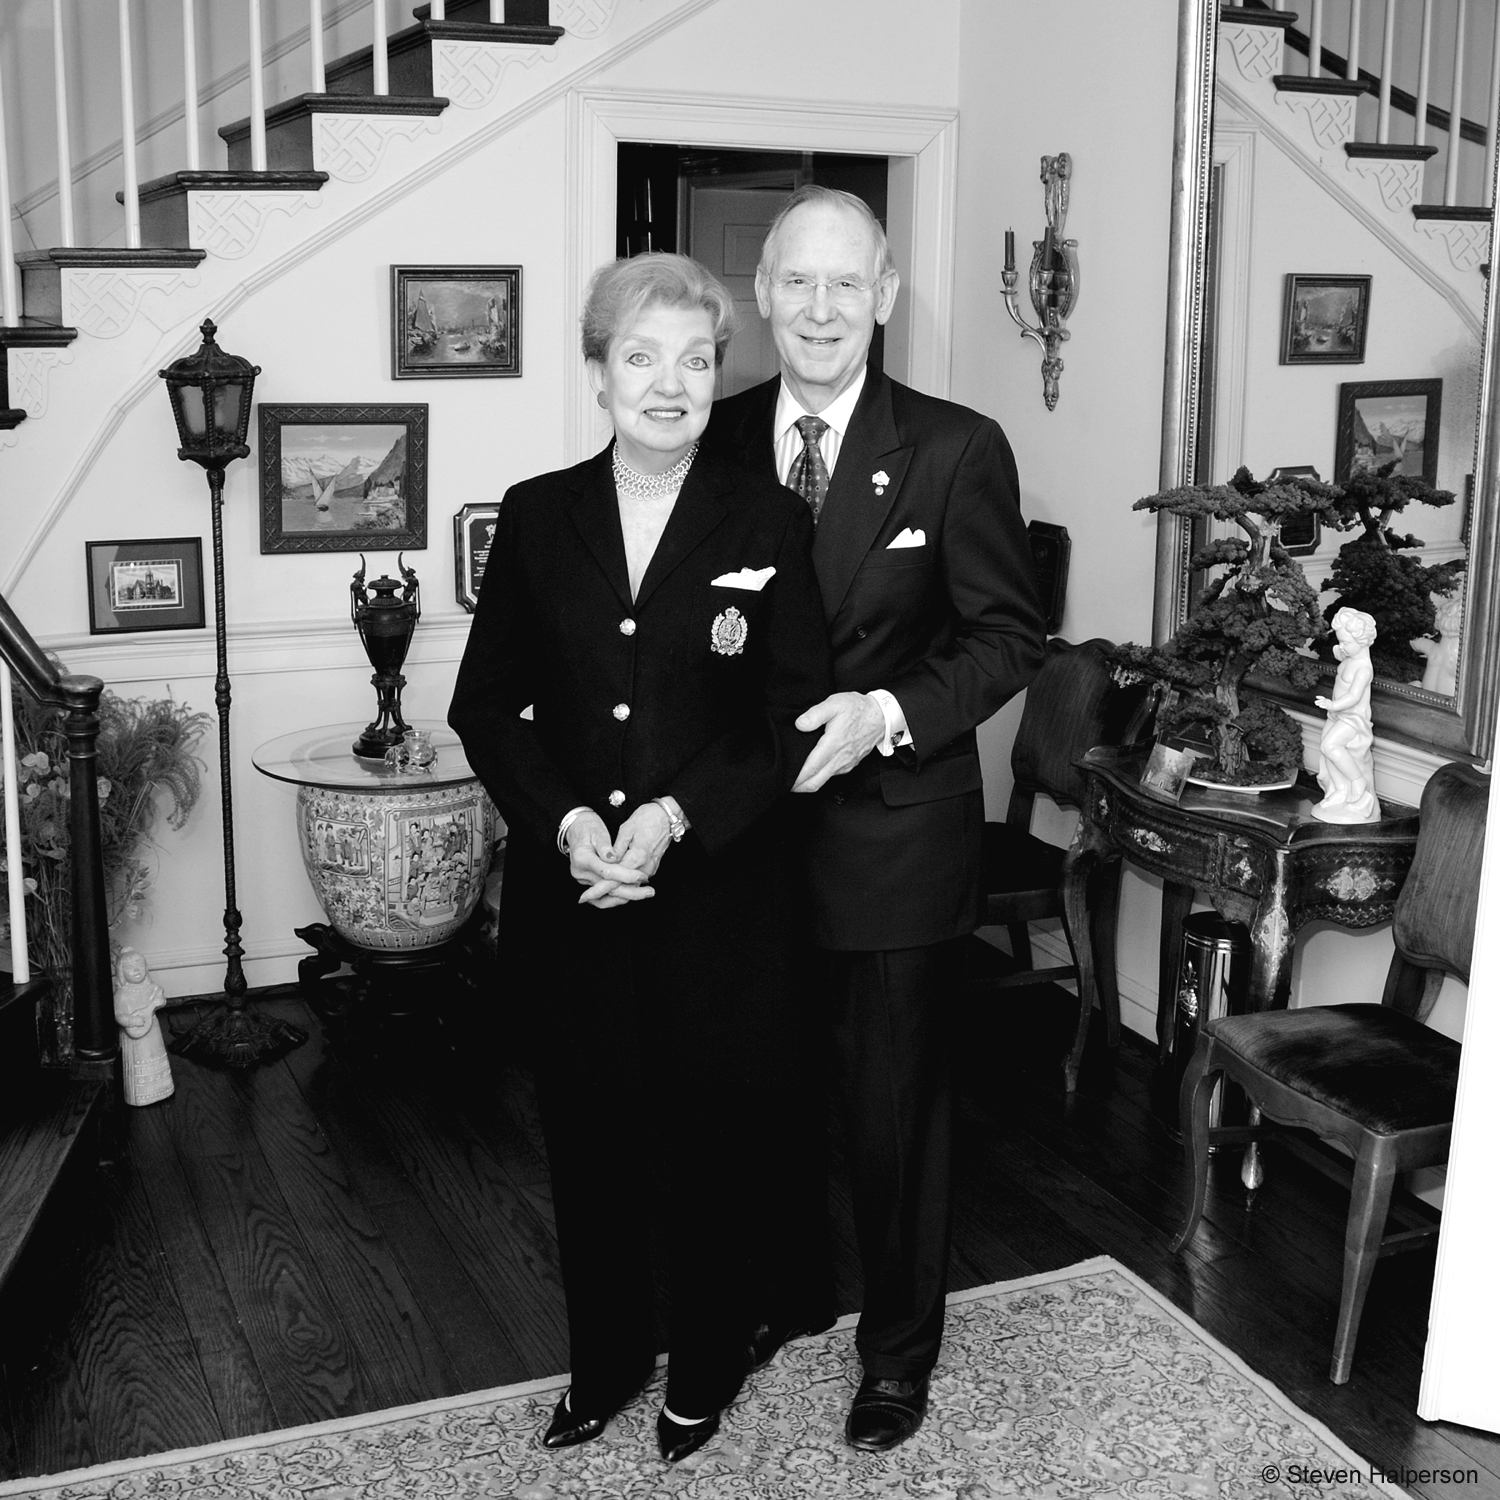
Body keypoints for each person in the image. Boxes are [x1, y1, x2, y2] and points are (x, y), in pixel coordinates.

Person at [448, 252, 832, 1464]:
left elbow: (789, 716)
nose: (670, 383)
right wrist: (568, 824)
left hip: (717, 898)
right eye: (642, 356)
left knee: (712, 1143)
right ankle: (607, 1359)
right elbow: (486, 704)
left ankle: (706, 1365)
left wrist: (671, 817)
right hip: (578, 898)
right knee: (592, 1141)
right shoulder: (535, 511)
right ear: (601, 369)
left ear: (721, 375)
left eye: (696, 359)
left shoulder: (768, 519)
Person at [702, 185, 1046, 1453]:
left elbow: (1010, 637)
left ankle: (897, 1351)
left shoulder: (958, 448)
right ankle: (769, 1300)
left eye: (849, 284)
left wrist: (886, 711)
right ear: (762, 297)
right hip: (742, 845)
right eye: (798, 281)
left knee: (893, 1110)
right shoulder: (716, 436)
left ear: (887, 297)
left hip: (896, 833)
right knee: (757, 1092)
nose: (821, 308)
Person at [1313, 606, 1379, 823]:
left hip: (1352, 719)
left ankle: (1357, 781)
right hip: (1338, 715)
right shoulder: (1349, 657)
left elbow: (1353, 696)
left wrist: (1333, 705)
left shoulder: (1363, 668)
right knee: (1326, 748)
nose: (1342, 647)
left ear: (1362, 642)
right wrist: (1341, 649)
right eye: (1340, 641)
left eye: (1346, 643)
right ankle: (1340, 790)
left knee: (1330, 745)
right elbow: (1340, 654)